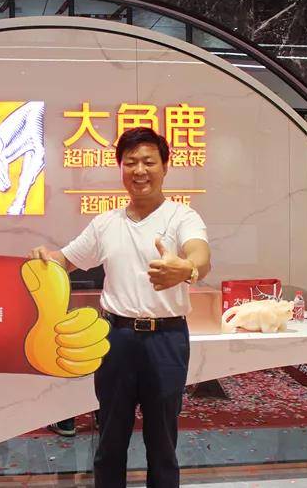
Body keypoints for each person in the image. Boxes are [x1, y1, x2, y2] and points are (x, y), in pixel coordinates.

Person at [30, 127, 211, 487]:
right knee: (110, 439)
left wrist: (186, 269)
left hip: (166, 339)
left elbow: (200, 256)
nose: (139, 170)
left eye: (148, 162)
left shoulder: (182, 217)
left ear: (165, 167)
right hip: (116, 339)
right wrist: (44, 258)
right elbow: (66, 260)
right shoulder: (105, 223)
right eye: (131, 163)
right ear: (121, 168)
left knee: (163, 443)